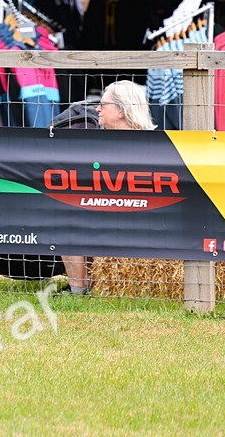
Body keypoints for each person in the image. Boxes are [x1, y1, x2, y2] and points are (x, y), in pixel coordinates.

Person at [61, 79, 156, 294]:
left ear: (121, 111)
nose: (97, 109)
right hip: (104, 209)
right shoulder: (96, 141)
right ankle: (79, 290)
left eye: (103, 104)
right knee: (67, 212)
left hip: (139, 217)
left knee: (73, 216)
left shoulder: (154, 144)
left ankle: (79, 289)